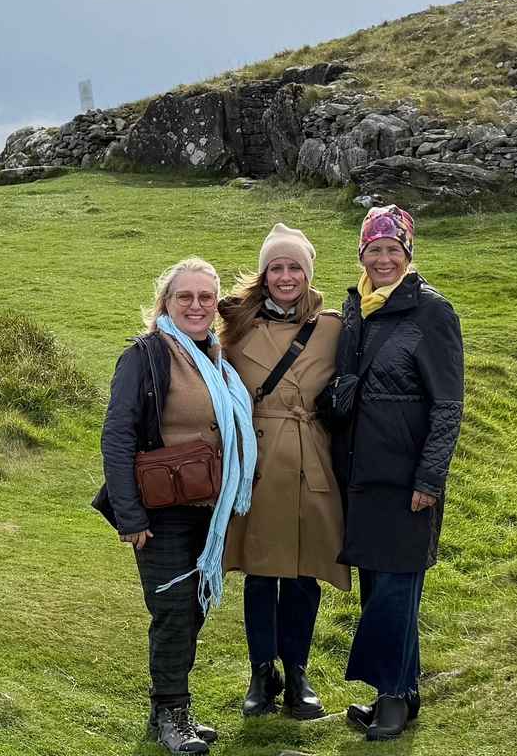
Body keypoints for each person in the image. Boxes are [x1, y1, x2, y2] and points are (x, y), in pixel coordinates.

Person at [96, 257, 258, 755]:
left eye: (205, 297)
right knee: (172, 612)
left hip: (209, 511)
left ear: (216, 306)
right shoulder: (146, 355)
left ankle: (166, 710)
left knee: (191, 610)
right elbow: (118, 435)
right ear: (166, 302)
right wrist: (130, 516)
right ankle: (173, 714)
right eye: (184, 296)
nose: (195, 305)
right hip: (161, 512)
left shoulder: (216, 359)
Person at [330, 205, 464, 742]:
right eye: (374, 249)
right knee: (376, 588)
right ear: (362, 254)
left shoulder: (433, 313)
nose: (383, 258)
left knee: (396, 592)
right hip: (361, 476)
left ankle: (390, 695)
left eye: (393, 249)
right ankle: (403, 695)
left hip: (408, 482)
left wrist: (429, 480)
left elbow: (448, 405)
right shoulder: (357, 308)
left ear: (409, 254)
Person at [219, 224, 348, 720]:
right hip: (260, 463)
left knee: (302, 575)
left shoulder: (335, 327)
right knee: (260, 573)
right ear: (264, 273)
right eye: (277, 266)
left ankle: (297, 673)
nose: (286, 276)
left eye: (295, 266)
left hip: (312, 459)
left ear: (308, 272)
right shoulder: (235, 326)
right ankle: (261, 673)